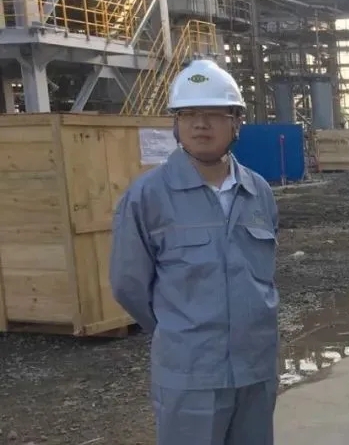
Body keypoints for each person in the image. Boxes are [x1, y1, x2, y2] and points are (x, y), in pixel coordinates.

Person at [110, 59, 280, 444]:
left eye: (214, 114)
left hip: (255, 371)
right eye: (188, 114)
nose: (201, 124)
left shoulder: (258, 192)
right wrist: (180, 332)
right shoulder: (147, 197)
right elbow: (127, 285)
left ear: (236, 122)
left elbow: (264, 276)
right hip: (190, 377)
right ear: (176, 124)